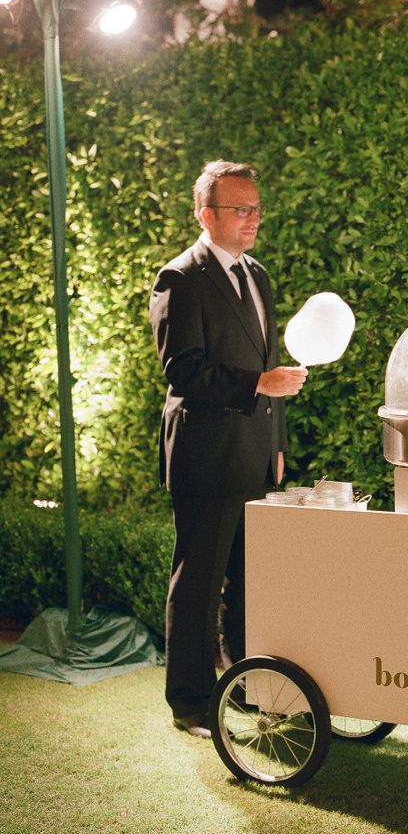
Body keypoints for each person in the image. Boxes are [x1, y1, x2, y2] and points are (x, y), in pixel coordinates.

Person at [149, 160, 307, 737]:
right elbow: (183, 370)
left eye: (256, 209)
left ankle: (244, 688)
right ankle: (189, 702)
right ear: (204, 213)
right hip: (206, 453)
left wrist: (277, 441)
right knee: (198, 581)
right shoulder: (180, 278)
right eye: (240, 209)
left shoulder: (257, 274)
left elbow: (267, 366)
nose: (252, 220)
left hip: (253, 450)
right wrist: (258, 387)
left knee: (248, 579)